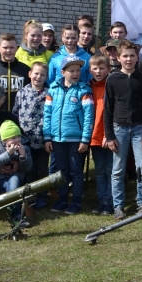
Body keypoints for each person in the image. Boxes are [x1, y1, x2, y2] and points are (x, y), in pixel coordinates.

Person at [104, 41, 142, 217]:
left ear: (136, 57)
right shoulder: (112, 79)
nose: (129, 59)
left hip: (140, 129)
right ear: (119, 58)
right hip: (119, 129)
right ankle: (118, 205)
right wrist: (109, 136)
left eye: (132, 55)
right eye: (125, 55)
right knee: (118, 169)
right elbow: (107, 109)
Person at [43, 55, 94, 215]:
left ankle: (76, 201)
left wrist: (85, 139)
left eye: (78, 70)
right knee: (62, 170)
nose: (75, 73)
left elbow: (88, 117)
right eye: (71, 70)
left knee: (76, 170)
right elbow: (47, 114)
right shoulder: (53, 89)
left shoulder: (84, 90)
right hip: (57, 139)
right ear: (62, 72)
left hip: (76, 139)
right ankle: (63, 199)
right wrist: (47, 137)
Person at [12, 61, 50, 207]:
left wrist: (48, 137)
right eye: (36, 73)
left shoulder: (49, 93)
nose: (38, 77)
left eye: (42, 75)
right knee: (28, 169)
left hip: (42, 139)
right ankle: (29, 196)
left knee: (41, 169)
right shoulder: (22, 93)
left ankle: (42, 195)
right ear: (29, 74)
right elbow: (15, 114)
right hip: (25, 140)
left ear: (46, 77)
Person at [0, 120, 33, 227]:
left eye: (18, 137)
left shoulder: (24, 148)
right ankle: (13, 213)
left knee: (14, 182)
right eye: (13, 138)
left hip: (15, 178)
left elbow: (28, 168)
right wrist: (8, 153)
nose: (17, 140)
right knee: (11, 188)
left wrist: (23, 156)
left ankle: (15, 215)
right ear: (4, 140)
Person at [87, 55, 113, 215]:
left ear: (108, 69)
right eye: (95, 68)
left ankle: (110, 201)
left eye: (102, 68)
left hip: (108, 135)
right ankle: (101, 200)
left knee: (110, 170)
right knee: (99, 170)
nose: (98, 71)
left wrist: (107, 135)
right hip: (94, 135)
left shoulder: (111, 86)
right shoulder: (88, 87)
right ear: (90, 70)